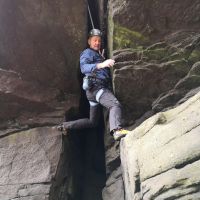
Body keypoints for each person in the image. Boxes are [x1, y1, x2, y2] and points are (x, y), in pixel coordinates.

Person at [57, 28, 129, 141]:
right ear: (89, 41)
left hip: (91, 93)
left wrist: (101, 58)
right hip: (97, 88)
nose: (97, 43)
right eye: (95, 40)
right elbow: (84, 68)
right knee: (114, 105)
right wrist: (102, 64)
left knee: (92, 122)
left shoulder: (97, 54)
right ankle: (117, 130)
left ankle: (65, 126)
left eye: (99, 41)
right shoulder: (87, 53)